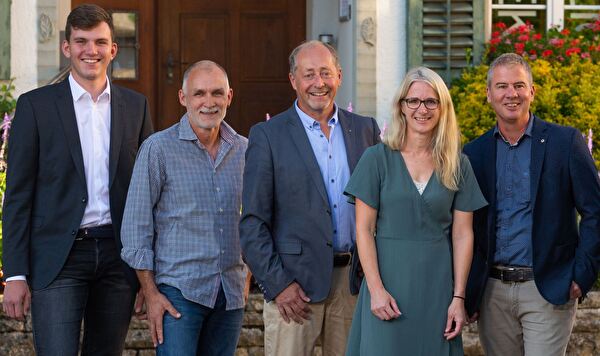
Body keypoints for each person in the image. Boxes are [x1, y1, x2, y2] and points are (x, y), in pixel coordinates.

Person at [1, 4, 153, 355]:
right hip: (58, 257)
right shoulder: (35, 107)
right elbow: (18, 197)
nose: (91, 51)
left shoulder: (136, 107)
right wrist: (16, 274)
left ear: (113, 49)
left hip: (118, 258)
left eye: (100, 42)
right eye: (81, 41)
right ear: (66, 48)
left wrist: (148, 274)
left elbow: (149, 195)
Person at [239, 40, 380, 356]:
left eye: (326, 73)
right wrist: (279, 285)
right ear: (293, 80)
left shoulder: (366, 129)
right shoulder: (268, 136)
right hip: (294, 289)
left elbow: (380, 207)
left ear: (339, 76)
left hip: (353, 285)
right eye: (309, 74)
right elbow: (252, 224)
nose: (319, 83)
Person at [344, 66, 487, 356]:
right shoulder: (376, 159)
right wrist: (376, 290)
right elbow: (363, 230)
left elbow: (462, 235)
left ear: (442, 108)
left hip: (436, 291)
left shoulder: (458, 164)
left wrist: (458, 297)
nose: (422, 109)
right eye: (414, 101)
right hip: (387, 289)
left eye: (431, 101)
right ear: (402, 107)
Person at [464, 53, 600, 356]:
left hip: (547, 289)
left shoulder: (566, 143)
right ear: (488, 95)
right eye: (501, 86)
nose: (511, 94)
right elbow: (466, 227)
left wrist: (581, 274)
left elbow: (595, 211)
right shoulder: (475, 153)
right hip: (493, 292)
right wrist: (467, 291)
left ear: (532, 92)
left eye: (519, 85)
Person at [120, 60, 249, 356]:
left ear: (229, 97)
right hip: (178, 294)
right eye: (199, 94)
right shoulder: (158, 149)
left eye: (217, 93)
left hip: (229, 294)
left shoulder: (245, 150)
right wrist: (150, 293)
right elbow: (136, 228)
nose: (208, 102)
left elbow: (256, 221)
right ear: (183, 98)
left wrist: (247, 274)